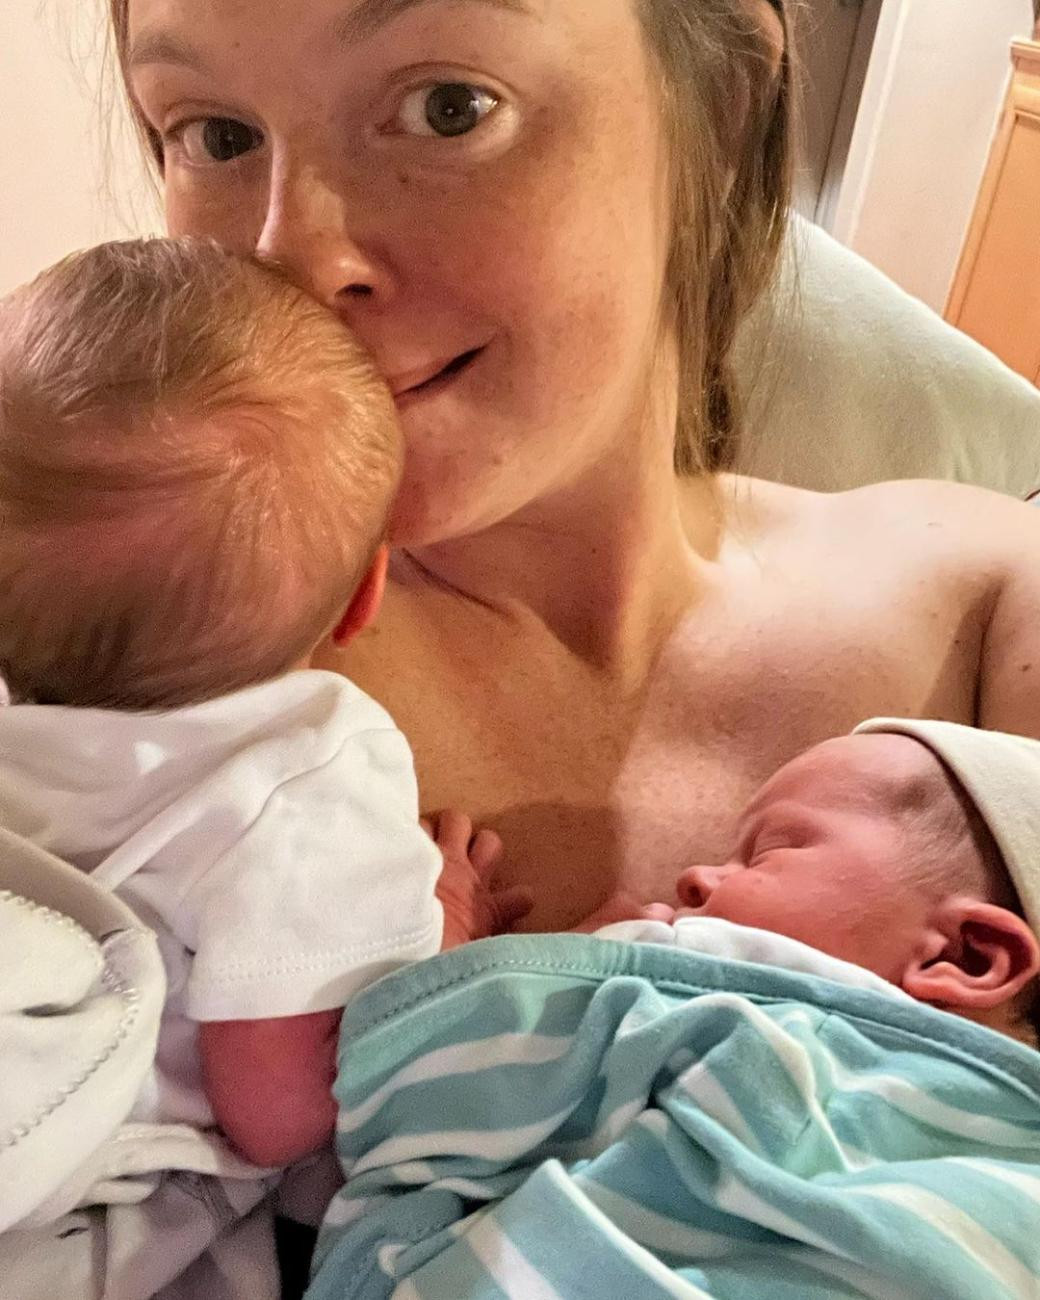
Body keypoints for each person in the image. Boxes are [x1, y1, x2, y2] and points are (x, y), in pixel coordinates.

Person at [108, 0, 1040, 950]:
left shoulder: (990, 597)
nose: (296, 262)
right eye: (217, 136)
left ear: (719, 104)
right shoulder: (121, 661)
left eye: (450, 108)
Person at [0, 237, 529, 1173]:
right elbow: (280, 1118)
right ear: (366, 596)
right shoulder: (304, 770)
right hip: (104, 1200)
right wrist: (444, 929)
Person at [308, 717, 1040, 1299]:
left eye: (769, 851)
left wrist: (479, 965)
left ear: (965, 955)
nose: (694, 875)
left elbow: (425, 1088)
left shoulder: (736, 1015)